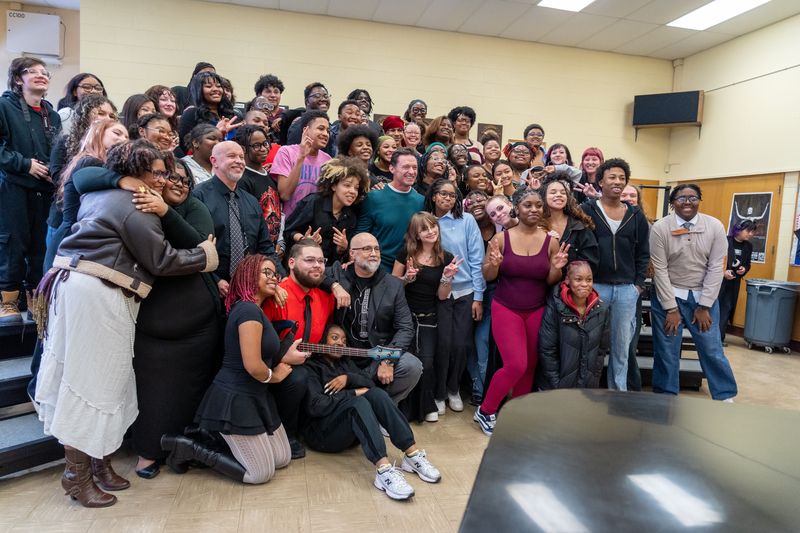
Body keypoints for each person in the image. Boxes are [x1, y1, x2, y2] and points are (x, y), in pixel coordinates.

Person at [35, 140, 218, 507]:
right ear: (135, 172)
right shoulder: (135, 203)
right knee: (88, 385)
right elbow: (161, 260)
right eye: (157, 172)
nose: (164, 178)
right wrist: (205, 256)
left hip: (90, 289)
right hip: (95, 293)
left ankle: (99, 464)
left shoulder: (104, 191)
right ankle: (76, 476)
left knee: (107, 384)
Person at [162, 255, 307, 483]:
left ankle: (220, 440)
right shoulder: (247, 311)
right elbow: (253, 365)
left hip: (257, 395)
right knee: (260, 474)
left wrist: (271, 289)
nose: (273, 278)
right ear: (249, 276)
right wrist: (275, 375)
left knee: (282, 458)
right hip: (237, 397)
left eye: (274, 274)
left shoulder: (256, 308)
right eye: (265, 273)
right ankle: (190, 447)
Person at [302, 323, 441, 501]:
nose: (340, 343)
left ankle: (412, 454)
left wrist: (348, 378)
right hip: (322, 435)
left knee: (376, 394)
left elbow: (370, 384)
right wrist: (352, 392)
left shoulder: (345, 362)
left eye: (344, 340)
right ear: (322, 341)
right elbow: (317, 405)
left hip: (348, 433)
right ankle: (384, 471)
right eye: (334, 338)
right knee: (357, 403)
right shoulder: (311, 367)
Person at [475, 187, 569, 436]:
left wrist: (557, 268)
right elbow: (487, 275)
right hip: (506, 308)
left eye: (538, 205)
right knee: (516, 364)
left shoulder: (551, 241)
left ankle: (517, 414)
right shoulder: (501, 239)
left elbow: (550, 280)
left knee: (529, 366)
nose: (534, 209)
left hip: (536, 309)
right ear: (517, 207)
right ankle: (486, 410)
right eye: (528, 205)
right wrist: (494, 265)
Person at [650, 184, 737, 402]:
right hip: (669, 296)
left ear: (699, 200)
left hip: (703, 298)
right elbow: (659, 269)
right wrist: (670, 307)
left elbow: (717, 266)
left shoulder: (715, 226)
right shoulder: (660, 228)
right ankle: (666, 395)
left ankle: (725, 395)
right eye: (681, 198)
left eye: (693, 197)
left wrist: (705, 305)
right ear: (672, 203)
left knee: (712, 349)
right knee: (667, 351)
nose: (687, 202)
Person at [321, 232, 423, 403]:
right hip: (344, 356)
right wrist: (334, 285)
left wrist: (388, 360)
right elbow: (313, 272)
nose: (374, 253)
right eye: (367, 249)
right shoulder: (338, 273)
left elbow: (405, 327)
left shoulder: (393, 284)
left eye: (377, 249)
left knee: (412, 366)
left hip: (377, 356)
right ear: (352, 253)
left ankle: (384, 408)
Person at [0, 57, 61, 324]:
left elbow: (59, 152)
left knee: (41, 247)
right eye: (31, 72)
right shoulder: (3, 106)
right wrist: (25, 165)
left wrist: (53, 170)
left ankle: (38, 306)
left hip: (44, 190)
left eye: (44, 72)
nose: (40, 75)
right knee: (12, 244)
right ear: (17, 79)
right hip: (12, 187)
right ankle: (8, 304)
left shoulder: (52, 114)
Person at [261, 239, 335, 458]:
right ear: (291, 263)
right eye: (309, 260)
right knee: (298, 377)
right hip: (276, 366)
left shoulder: (326, 297)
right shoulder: (276, 294)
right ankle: (285, 434)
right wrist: (282, 357)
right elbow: (259, 342)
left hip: (312, 360)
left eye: (321, 261)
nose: (317, 266)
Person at [580, 158, 649, 391]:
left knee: (622, 347)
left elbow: (643, 252)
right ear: (600, 181)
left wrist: (637, 285)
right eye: (612, 177)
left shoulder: (635, 214)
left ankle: (617, 393)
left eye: (622, 178)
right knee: (589, 343)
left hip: (627, 290)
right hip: (596, 287)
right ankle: (587, 392)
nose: (617, 182)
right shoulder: (587, 210)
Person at [392, 213, 460, 423]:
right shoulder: (406, 253)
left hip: (429, 317)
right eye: (424, 229)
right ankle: (401, 407)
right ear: (417, 234)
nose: (430, 231)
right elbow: (392, 288)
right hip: (404, 318)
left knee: (427, 364)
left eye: (433, 227)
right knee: (405, 363)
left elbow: (442, 295)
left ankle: (426, 405)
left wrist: (447, 277)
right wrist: (406, 279)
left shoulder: (445, 257)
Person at [425, 179, 485, 413]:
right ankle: (439, 393)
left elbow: (477, 258)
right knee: (443, 344)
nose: (448, 199)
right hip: (438, 292)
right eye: (443, 194)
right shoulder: (426, 221)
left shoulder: (467, 220)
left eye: (452, 195)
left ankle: (453, 389)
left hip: (465, 291)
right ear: (433, 196)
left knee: (460, 344)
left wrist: (478, 296)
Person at [194, 141, 276, 295]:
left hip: (248, 286)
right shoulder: (199, 196)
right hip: (208, 286)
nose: (239, 161)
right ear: (214, 161)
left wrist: (278, 277)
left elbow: (265, 246)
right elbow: (192, 245)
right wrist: (215, 279)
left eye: (241, 157)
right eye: (231, 156)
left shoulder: (251, 201)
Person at [536, 261, 610, 390]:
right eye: (578, 279)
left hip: (587, 389)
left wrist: (594, 379)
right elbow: (547, 350)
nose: (584, 284)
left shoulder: (601, 310)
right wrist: (557, 384)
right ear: (567, 280)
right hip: (556, 389)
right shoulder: (556, 306)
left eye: (589, 279)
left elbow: (601, 351)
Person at [284, 157, 369, 263]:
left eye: (356, 188)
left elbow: (341, 257)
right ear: (333, 186)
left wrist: (343, 248)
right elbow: (289, 230)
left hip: (329, 271)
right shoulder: (313, 202)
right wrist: (304, 240)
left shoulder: (351, 215)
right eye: (347, 185)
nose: (352, 191)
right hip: (301, 264)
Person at [355, 149, 425, 271]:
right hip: (377, 268)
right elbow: (361, 234)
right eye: (406, 167)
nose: (411, 171)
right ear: (392, 169)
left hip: (410, 269)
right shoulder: (374, 197)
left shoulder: (421, 201)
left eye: (415, 167)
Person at [464, 190, 497, 406]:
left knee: (482, 340)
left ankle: (483, 388)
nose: (477, 203)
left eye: (481, 199)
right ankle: (477, 383)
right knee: (467, 341)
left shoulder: (500, 228)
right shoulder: (465, 226)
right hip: (469, 290)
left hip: (495, 291)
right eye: (471, 200)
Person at [271, 109, 332, 219]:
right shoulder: (286, 152)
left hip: (314, 224)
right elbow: (285, 194)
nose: (325, 134)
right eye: (321, 129)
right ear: (306, 130)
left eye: (328, 130)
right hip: (290, 223)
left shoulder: (328, 160)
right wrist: (301, 157)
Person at [234, 125, 283, 255]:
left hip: (273, 247)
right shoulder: (242, 179)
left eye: (265, 143)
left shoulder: (268, 174)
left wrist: (279, 243)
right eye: (256, 146)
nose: (263, 149)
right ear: (243, 149)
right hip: (256, 249)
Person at [540, 174, 599, 272]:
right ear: (543, 197)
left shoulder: (580, 227)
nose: (559, 195)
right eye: (553, 192)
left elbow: (591, 261)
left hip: (571, 284)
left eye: (563, 193)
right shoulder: (536, 226)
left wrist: (570, 274)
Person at [178, 71, 238, 153]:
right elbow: (186, 147)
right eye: (209, 86)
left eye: (219, 86)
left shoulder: (231, 114)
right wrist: (216, 132)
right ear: (198, 90)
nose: (215, 89)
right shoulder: (191, 114)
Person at [718, 220, 756, 343]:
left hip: (734, 282)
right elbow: (714, 259)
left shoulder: (748, 246)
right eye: (748, 231)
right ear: (738, 229)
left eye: (752, 232)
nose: (750, 234)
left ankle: (719, 338)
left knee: (727, 308)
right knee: (713, 306)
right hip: (719, 280)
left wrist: (744, 269)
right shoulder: (724, 241)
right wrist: (723, 272)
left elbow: (748, 264)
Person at [253, 74, 286, 142]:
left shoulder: (286, 114)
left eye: (276, 92)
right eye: (268, 91)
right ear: (259, 94)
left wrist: (285, 117)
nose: (273, 95)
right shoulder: (253, 115)